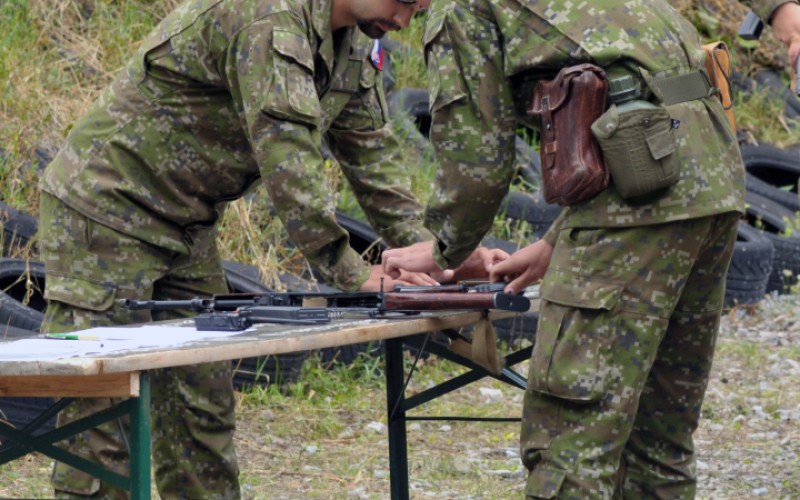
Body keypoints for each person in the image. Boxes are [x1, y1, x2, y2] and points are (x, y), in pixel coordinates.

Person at [379, 0, 800, 497]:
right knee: (657, 444)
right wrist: (556, 240)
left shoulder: (460, 8)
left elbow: (479, 153)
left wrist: (446, 248)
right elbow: (631, 87)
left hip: (640, 194)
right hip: (712, 182)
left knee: (568, 450)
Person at [37, 0, 443, 497]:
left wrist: (440, 255)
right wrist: (353, 273)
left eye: (418, 10)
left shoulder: (354, 42)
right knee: (100, 424)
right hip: (104, 209)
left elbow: (374, 158)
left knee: (202, 412)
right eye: (404, 1)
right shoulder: (267, 16)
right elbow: (288, 164)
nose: (403, 21)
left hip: (186, 223)